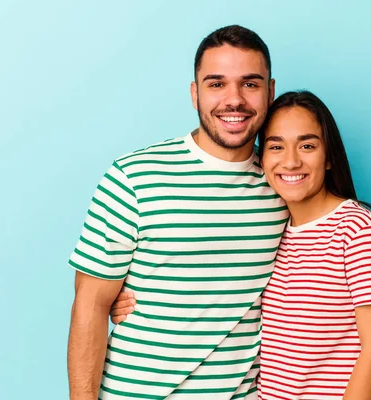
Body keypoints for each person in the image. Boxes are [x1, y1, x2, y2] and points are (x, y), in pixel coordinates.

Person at [112, 90, 371, 399]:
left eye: (307, 145)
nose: (291, 161)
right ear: (261, 159)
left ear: (329, 157)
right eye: (276, 146)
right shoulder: (277, 230)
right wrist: (136, 304)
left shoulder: (360, 232)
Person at [67, 25, 287, 400]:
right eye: (216, 84)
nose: (234, 100)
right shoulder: (133, 177)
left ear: (270, 91)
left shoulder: (284, 185)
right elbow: (90, 305)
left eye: (250, 84)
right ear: (194, 93)